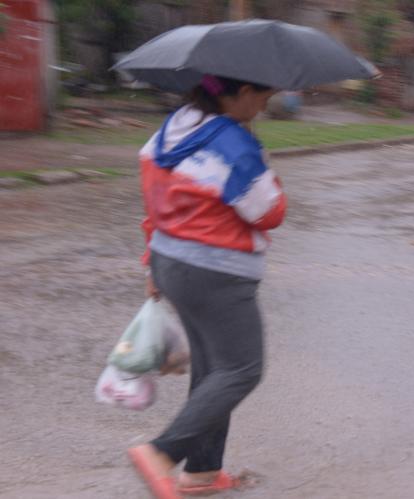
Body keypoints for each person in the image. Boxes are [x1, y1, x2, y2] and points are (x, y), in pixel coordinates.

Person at [127, 74, 285, 498]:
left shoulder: (174, 126)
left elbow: (156, 200)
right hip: (216, 271)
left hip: (170, 262)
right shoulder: (234, 144)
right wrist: (261, 163)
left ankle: (202, 472)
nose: (266, 107)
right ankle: (161, 453)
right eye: (265, 96)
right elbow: (268, 212)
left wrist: (150, 267)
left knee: (214, 370)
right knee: (242, 369)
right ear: (244, 92)